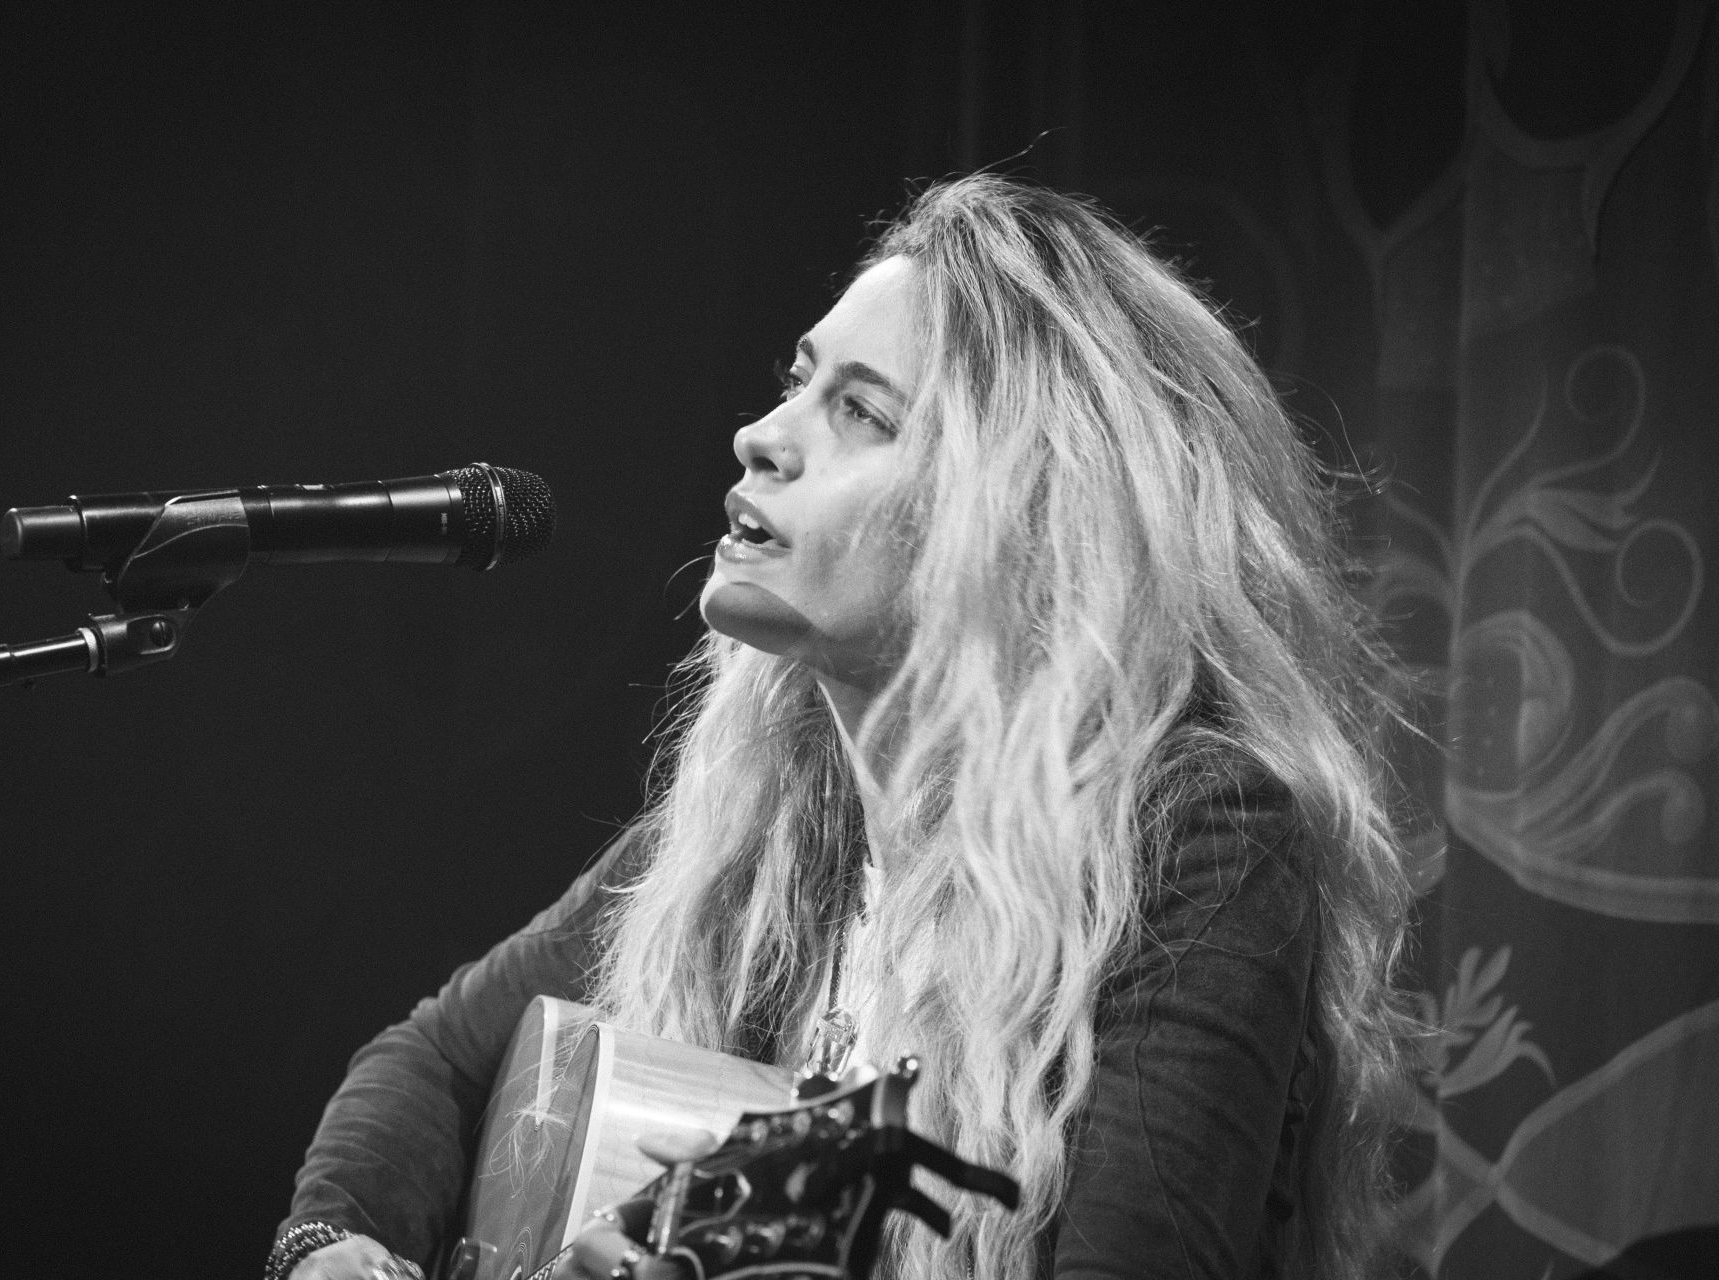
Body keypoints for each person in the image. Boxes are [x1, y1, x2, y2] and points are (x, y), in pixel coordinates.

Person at [267, 175, 1417, 1280]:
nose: (762, 435)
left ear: (1026, 506)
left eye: (860, 410)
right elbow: (430, 1060)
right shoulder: (765, 834)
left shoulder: (1195, 838)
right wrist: (328, 1245)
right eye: (798, 381)